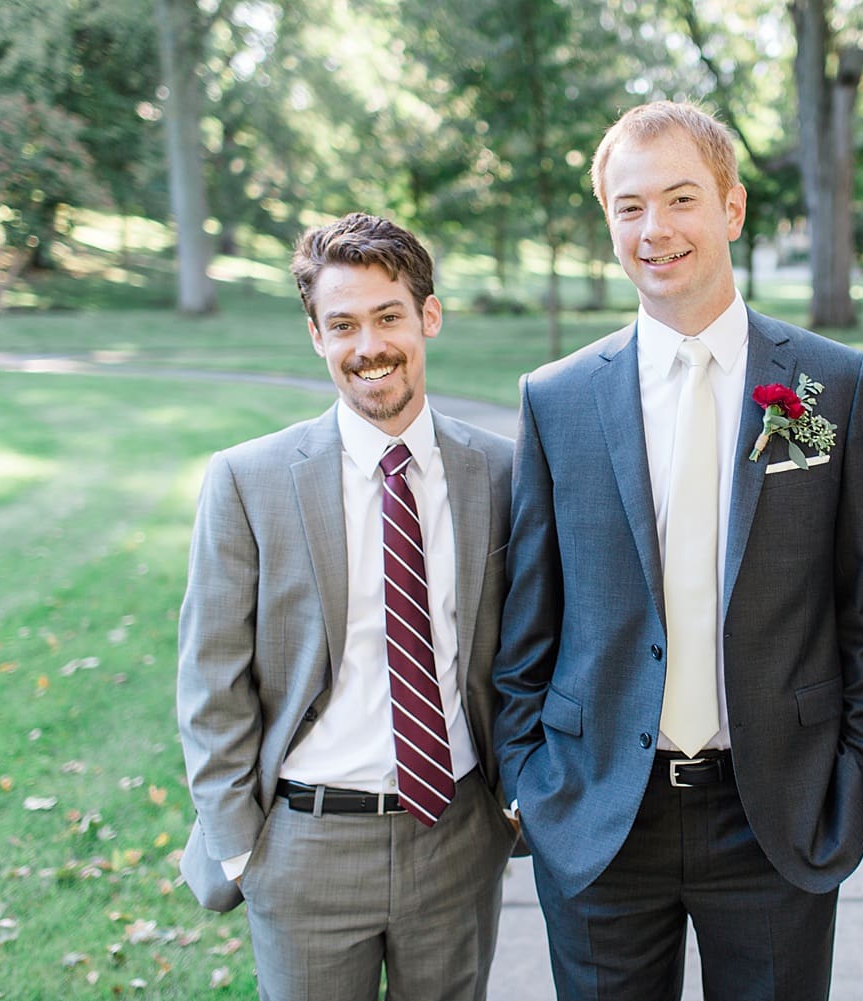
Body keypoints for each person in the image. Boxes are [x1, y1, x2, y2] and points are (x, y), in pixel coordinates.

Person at [492, 100, 863, 1001]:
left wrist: (852, 777)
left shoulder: (829, 384)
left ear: (732, 207)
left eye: (680, 199)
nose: (655, 229)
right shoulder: (556, 398)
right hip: (599, 808)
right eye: (629, 206)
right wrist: (530, 777)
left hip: (776, 811)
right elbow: (528, 616)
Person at [176, 212, 516, 1001]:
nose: (369, 346)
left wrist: (514, 808)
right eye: (343, 325)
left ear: (428, 315)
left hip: (457, 836)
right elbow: (210, 679)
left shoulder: (501, 472)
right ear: (315, 335)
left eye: (388, 316)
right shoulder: (248, 481)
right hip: (305, 845)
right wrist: (239, 847)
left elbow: (535, 649)